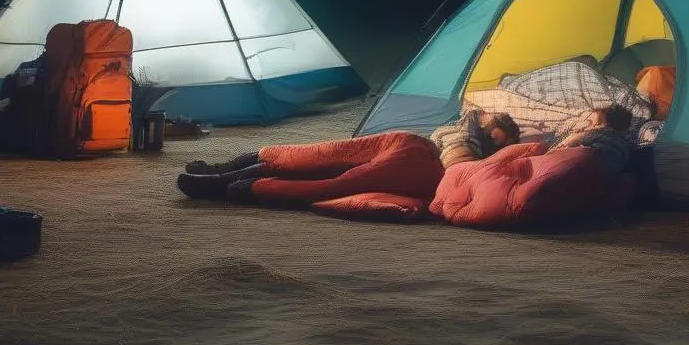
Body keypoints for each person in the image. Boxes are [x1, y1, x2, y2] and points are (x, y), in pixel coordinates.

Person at [176, 109, 521, 201]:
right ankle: (225, 179)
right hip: (419, 163)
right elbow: (458, 166)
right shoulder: (471, 129)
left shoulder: (467, 128)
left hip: (413, 151)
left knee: (317, 164)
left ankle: (224, 178)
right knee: (324, 175)